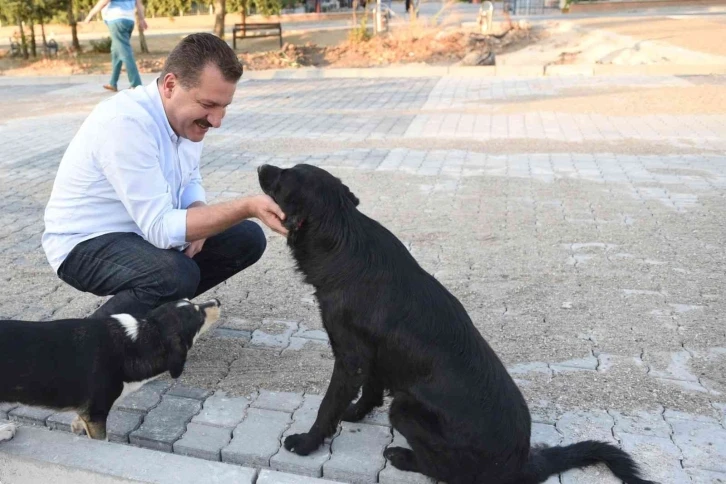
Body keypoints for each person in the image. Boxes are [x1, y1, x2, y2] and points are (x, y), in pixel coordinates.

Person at [42, 33, 288, 320]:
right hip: (84, 243)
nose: (217, 121)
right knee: (174, 275)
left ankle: (151, 315)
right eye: (209, 105)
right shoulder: (126, 123)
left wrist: (198, 209)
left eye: (224, 107)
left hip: (139, 231)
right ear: (171, 85)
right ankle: (89, 344)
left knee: (247, 238)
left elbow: (190, 178)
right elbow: (160, 228)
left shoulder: (185, 119)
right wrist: (247, 207)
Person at [84, 0, 146, 92]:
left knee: (125, 52)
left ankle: (136, 84)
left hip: (117, 20)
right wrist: (141, 19)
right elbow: (139, 4)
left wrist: (90, 14)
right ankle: (113, 83)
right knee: (116, 51)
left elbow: (104, 1)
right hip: (129, 21)